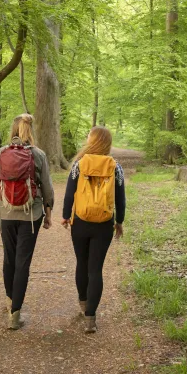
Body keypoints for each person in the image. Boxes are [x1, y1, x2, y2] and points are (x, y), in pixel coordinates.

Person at [0, 113, 55, 330]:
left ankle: (10, 301)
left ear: (14, 130)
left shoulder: (1, 153)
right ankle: (15, 314)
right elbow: (47, 187)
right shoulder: (39, 155)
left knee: (9, 259)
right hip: (31, 215)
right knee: (22, 262)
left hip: (5, 213)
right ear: (30, 130)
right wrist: (48, 211)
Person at [61, 126, 125, 333]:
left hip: (80, 222)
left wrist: (65, 216)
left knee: (82, 262)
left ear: (92, 141)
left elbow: (70, 193)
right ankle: (91, 318)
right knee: (95, 269)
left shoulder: (79, 164)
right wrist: (119, 221)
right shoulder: (115, 167)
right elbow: (120, 198)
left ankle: (83, 303)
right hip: (104, 224)